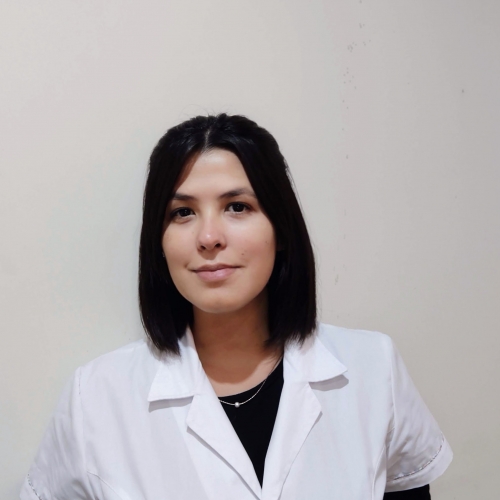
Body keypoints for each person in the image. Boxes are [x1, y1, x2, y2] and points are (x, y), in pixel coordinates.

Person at [20, 114, 452, 500]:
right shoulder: (97, 397)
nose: (209, 237)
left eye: (237, 207)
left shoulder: (372, 369)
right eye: (182, 212)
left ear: (280, 229)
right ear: (159, 241)